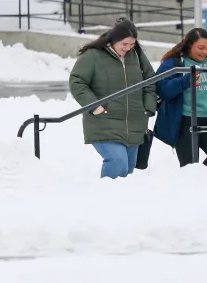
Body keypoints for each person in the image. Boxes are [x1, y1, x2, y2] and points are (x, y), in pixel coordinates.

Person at [68, 18, 158, 179]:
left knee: (128, 170)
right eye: (124, 44)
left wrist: (148, 106)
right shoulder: (94, 55)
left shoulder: (136, 55)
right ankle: (106, 199)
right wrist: (95, 106)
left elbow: (150, 80)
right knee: (117, 161)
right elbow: (77, 81)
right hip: (104, 121)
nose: (128, 48)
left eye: (132, 44)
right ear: (114, 40)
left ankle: (121, 203)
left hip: (134, 124)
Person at [153, 28, 207, 168]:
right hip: (185, 121)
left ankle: (201, 181)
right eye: (200, 48)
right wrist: (183, 82)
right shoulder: (174, 62)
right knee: (189, 165)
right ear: (189, 46)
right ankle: (191, 186)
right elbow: (162, 89)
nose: (205, 52)